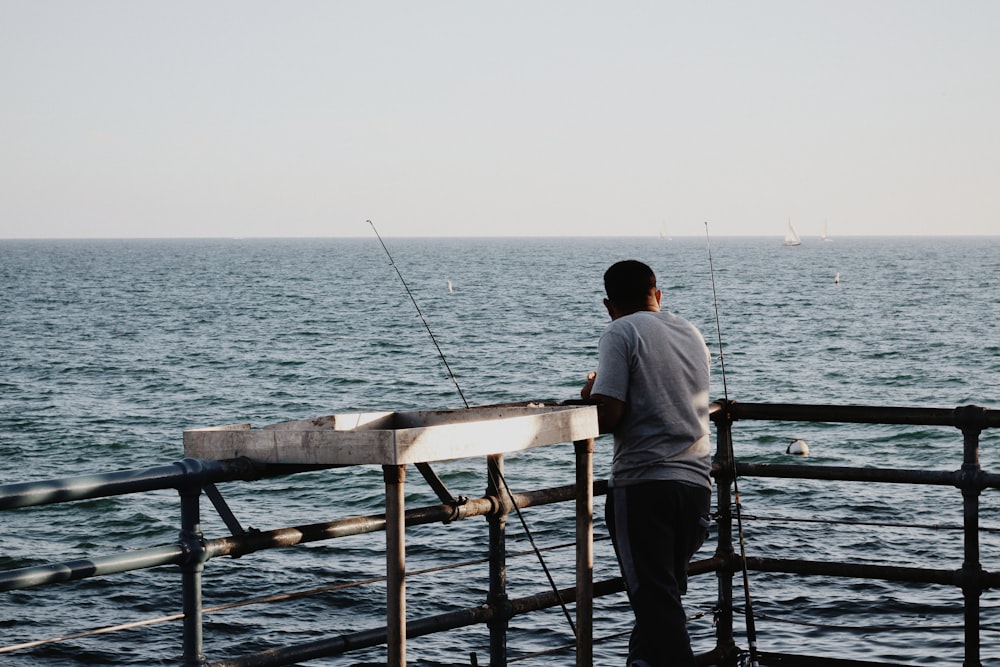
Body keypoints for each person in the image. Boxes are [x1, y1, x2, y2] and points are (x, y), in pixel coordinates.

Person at [581, 259, 712, 667]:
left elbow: (610, 415)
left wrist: (592, 394)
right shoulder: (691, 332)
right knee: (662, 597)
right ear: (658, 294)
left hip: (644, 485)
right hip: (695, 485)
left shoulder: (620, 331)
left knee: (654, 601)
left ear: (608, 304)